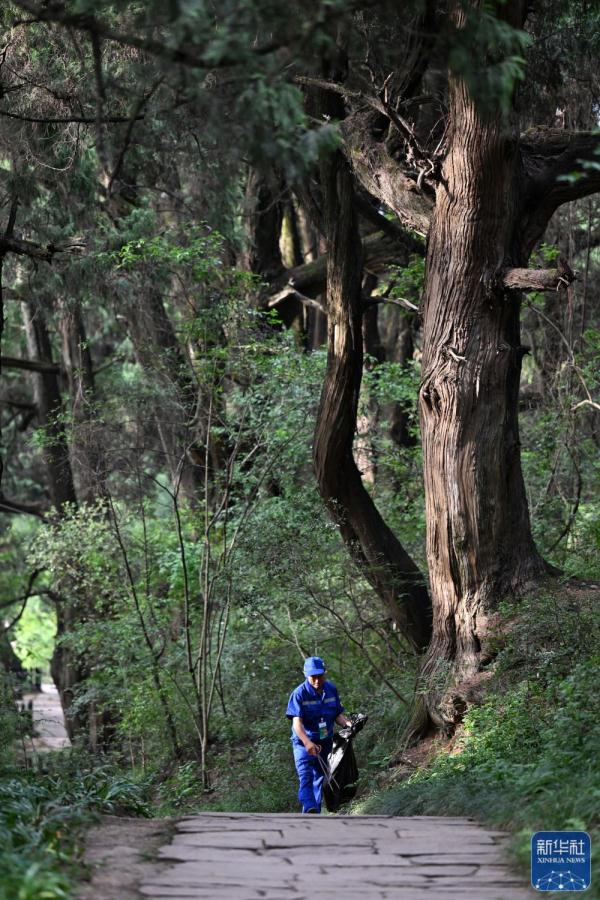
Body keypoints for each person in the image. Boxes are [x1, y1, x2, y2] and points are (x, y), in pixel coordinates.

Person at [285, 656, 352, 814]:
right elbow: (297, 724)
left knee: (319, 778)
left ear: (325, 674)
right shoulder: (299, 694)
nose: (316, 680)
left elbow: (337, 714)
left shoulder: (331, 689)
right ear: (306, 675)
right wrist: (307, 743)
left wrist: (346, 724)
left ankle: (314, 814)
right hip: (303, 743)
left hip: (325, 742)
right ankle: (309, 807)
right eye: (313, 677)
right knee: (305, 775)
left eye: (319, 676)